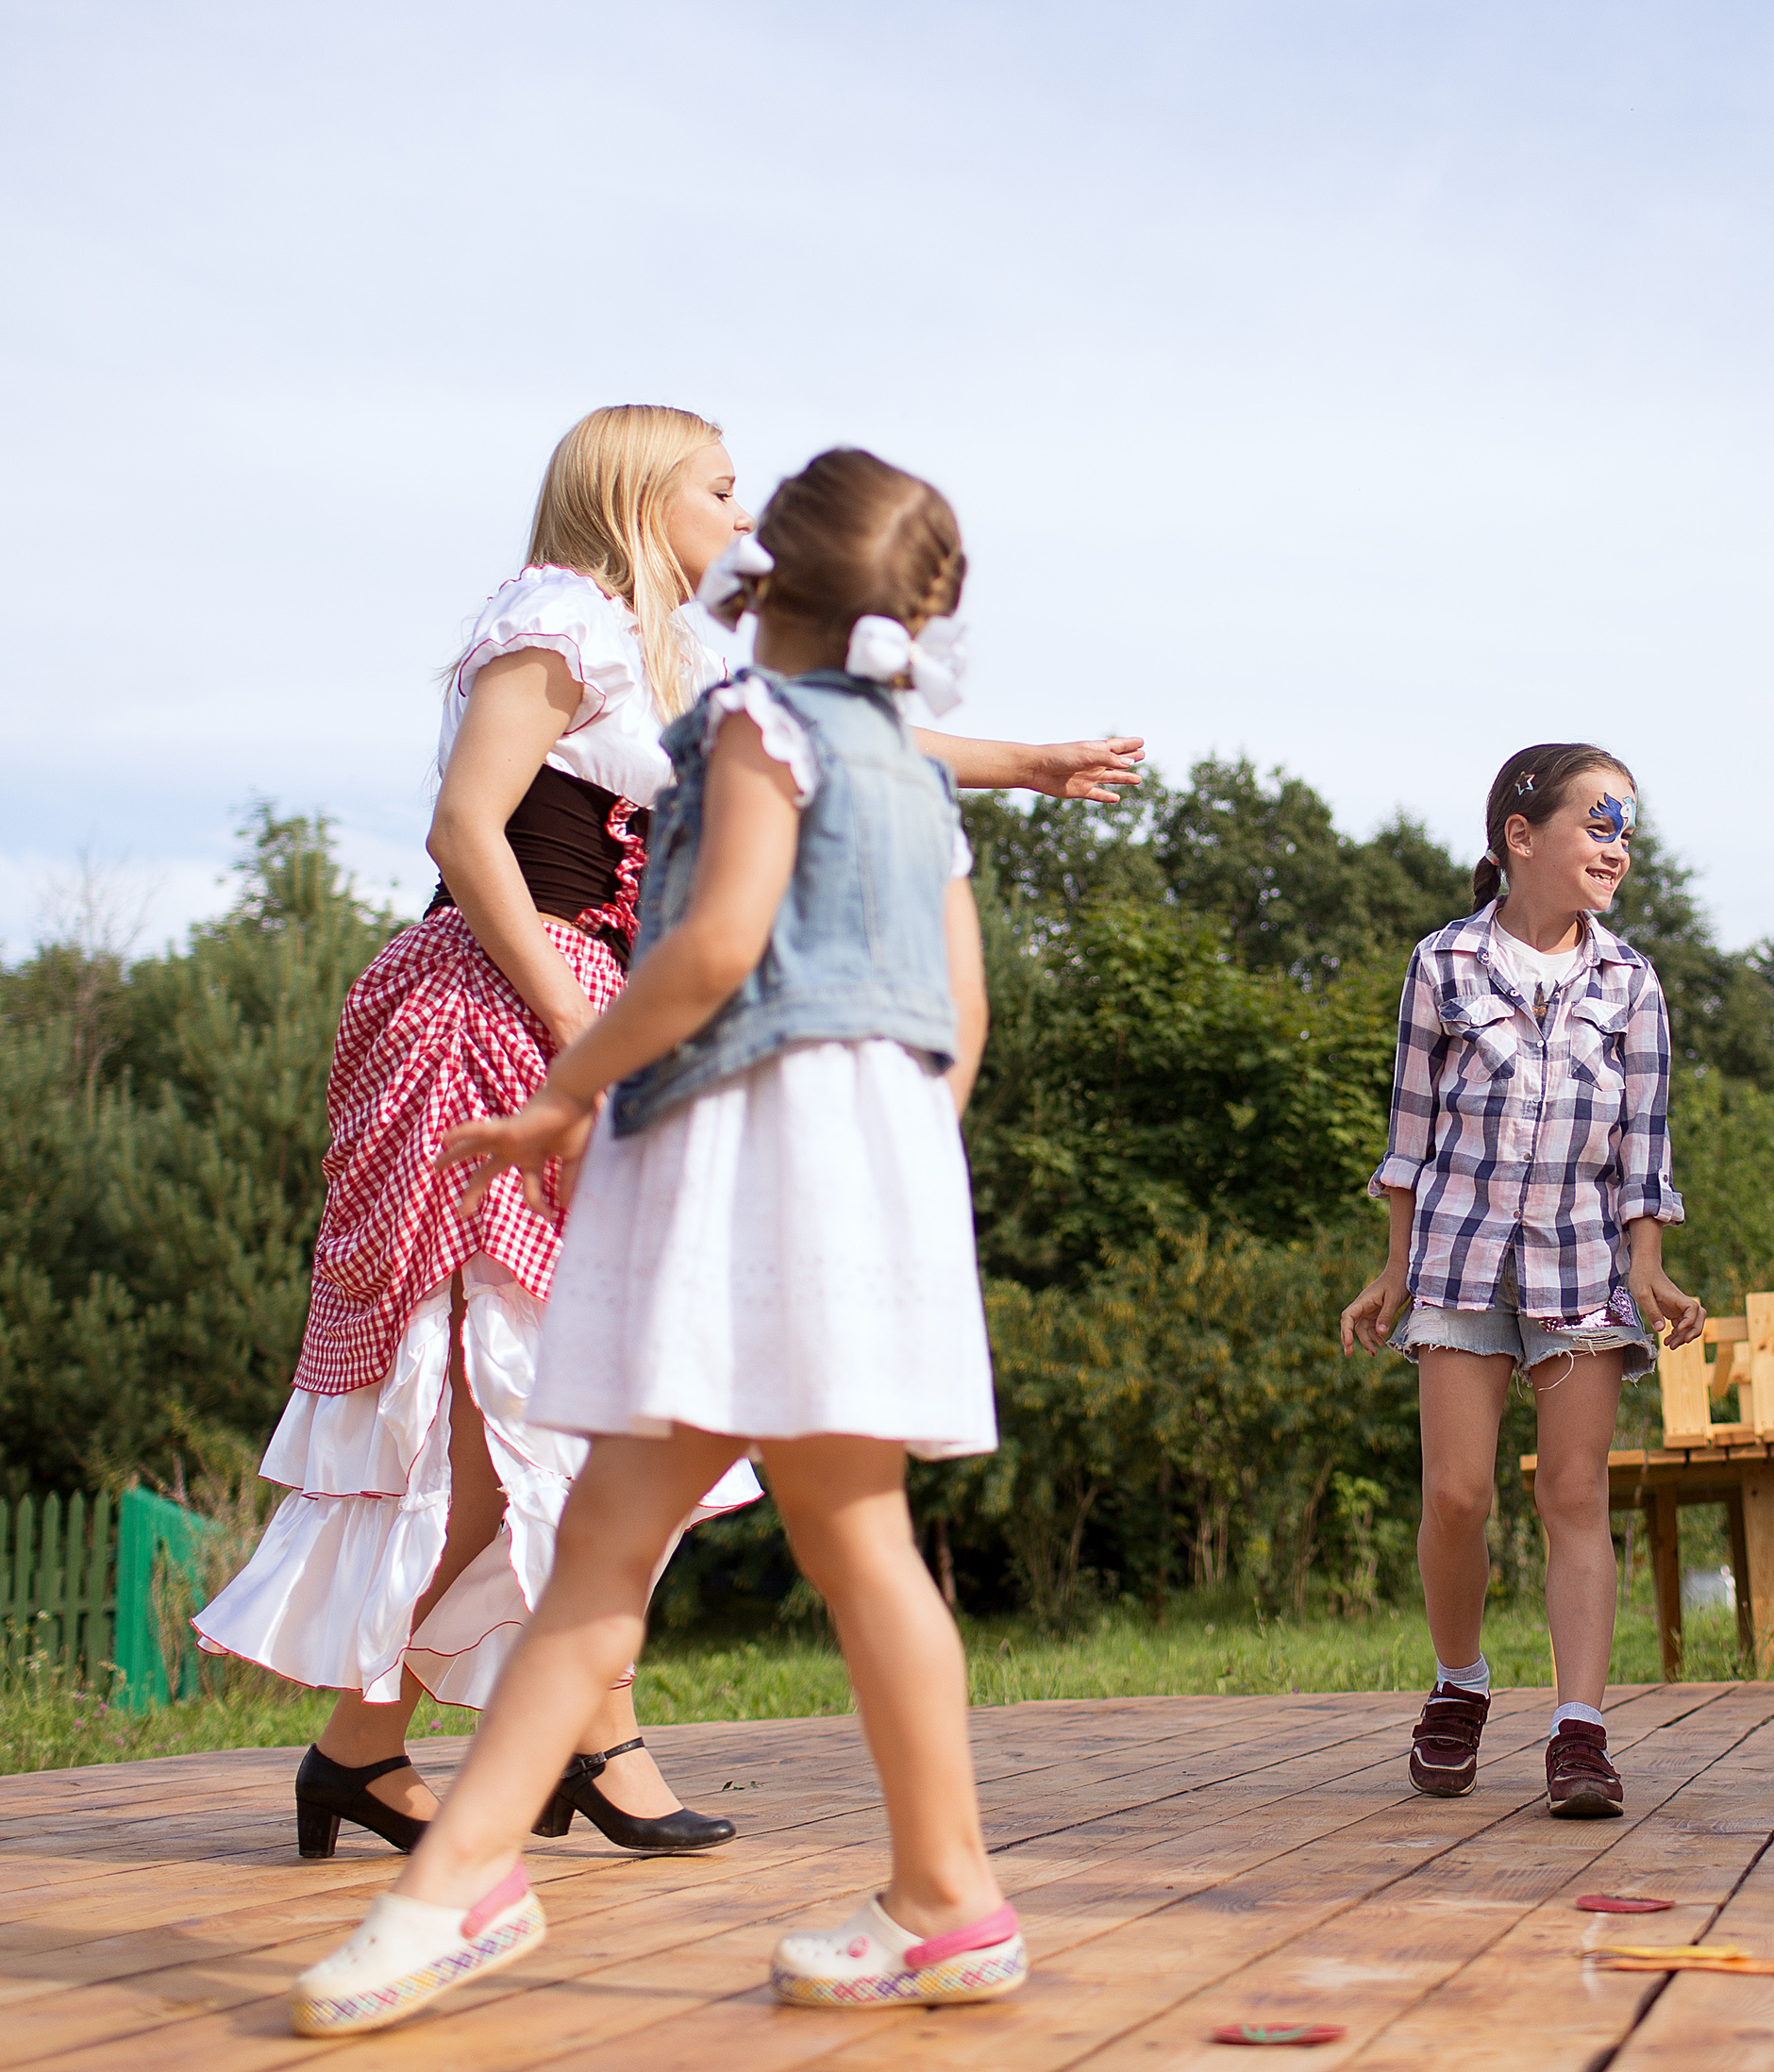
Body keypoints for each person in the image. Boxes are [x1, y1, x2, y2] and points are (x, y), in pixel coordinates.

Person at [196, 406, 1143, 1864]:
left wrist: (1028, 761)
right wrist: (574, 1039)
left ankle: (415, 1752)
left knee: (580, 1418)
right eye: (719, 488)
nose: (742, 516)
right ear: (639, 499)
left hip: (603, 1020)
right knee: (518, 1407)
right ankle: (533, 1748)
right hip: (497, 1007)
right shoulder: (553, 620)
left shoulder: (684, 662)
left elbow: (840, 735)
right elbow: (466, 828)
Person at [289, 447, 1024, 2035]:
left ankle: (457, 1890)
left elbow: (709, 948)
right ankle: (947, 1900)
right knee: (861, 1544)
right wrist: (885, 1170)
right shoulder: (911, 773)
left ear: (771, 587)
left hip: (749, 1158)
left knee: (607, 1544)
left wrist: (567, 1094)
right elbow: (959, 1012)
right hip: (881, 1169)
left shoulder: (760, 724)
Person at [1340, 744, 1703, 1820]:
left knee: (1571, 1494)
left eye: (1627, 827)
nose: (1618, 846)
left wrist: (1649, 1265)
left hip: (1583, 1265)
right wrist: (1394, 1270)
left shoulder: (1630, 981)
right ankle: (1459, 1684)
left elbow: (1645, 1145)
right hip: (1458, 1259)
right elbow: (1409, 1135)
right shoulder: (1443, 964)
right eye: (1599, 822)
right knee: (1455, 1496)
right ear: (1519, 836)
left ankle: (1578, 1730)